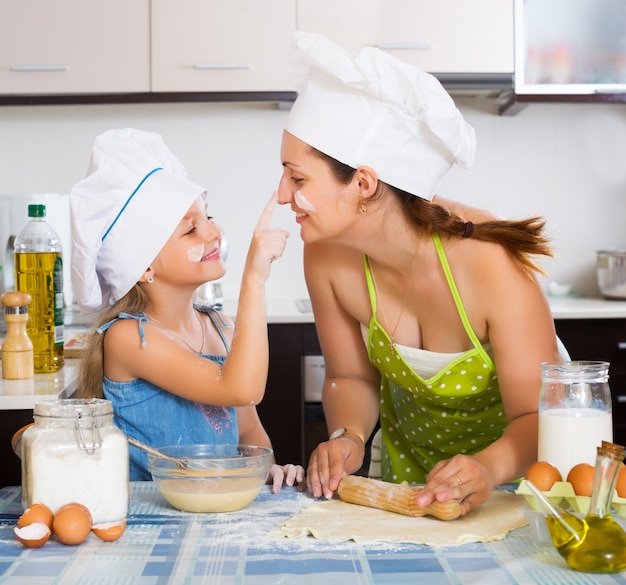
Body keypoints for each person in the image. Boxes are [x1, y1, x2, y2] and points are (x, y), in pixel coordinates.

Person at [276, 32, 562, 515]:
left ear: (363, 184)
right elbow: (349, 376)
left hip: (512, 492)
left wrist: (486, 469)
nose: (283, 195)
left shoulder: (489, 264)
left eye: (297, 178)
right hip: (408, 488)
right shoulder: (324, 254)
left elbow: (538, 418)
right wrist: (349, 437)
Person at [70, 128, 304, 492]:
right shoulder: (128, 337)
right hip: (151, 517)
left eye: (208, 217)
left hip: (215, 505)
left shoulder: (217, 326)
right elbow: (242, 388)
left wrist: (265, 469)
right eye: (190, 230)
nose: (213, 233)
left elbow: (248, 429)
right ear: (143, 267)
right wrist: (254, 278)